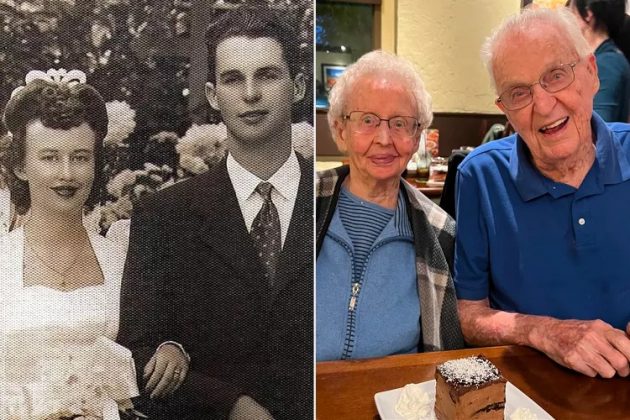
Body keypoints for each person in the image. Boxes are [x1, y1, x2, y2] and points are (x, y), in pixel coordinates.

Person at [117, 7, 313, 420]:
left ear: (297, 86)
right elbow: (137, 352)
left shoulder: (332, 199)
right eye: (233, 79)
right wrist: (231, 404)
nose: (250, 94)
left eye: (267, 75)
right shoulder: (164, 215)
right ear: (212, 95)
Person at [455, 7, 630, 379]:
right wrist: (545, 332)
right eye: (519, 93)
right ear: (505, 111)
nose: (544, 105)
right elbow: (469, 315)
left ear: (591, 73)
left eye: (556, 76)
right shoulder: (480, 176)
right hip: (525, 394)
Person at [0, 70, 138, 417]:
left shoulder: (121, 259)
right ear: (20, 167)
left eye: (80, 157)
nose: (67, 174)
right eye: (49, 157)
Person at [316, 50, 464, 362]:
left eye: (400, 124)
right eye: (367, 120)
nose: (384, 138)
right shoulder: (297, 205)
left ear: (417, 137)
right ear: (340, 130)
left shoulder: (441, 233)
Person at [569, 0, 630, 122]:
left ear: (587, 14)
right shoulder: (605, 59)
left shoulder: (609, 63)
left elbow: (598, 126)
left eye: (571, 12)